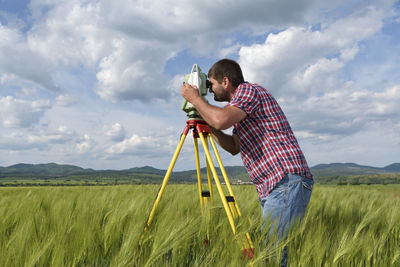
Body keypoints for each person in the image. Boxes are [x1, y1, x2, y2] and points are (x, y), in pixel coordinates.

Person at [181, 58, 313, 266]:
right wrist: (208, 125)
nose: (211, 91)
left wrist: (196, 99)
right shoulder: (240, 108)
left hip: (284, 180)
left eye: (212, 84)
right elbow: (234, 146)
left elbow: (221, 119)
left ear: (226, 82)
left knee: (272, 254)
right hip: (275, 185)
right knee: (271, 250)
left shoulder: (248, 91)